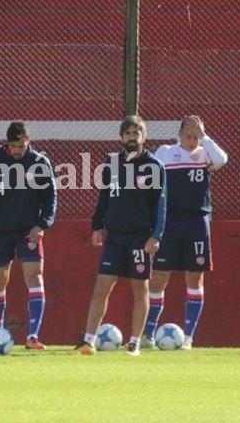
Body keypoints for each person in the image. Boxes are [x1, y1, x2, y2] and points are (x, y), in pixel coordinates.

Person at [74, 115, 166, 356]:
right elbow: (104, 197)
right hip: (114, 236)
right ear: (121, 137)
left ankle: (135, 342)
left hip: (140, 236)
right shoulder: (112, 163)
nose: (132, 137)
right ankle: (88, 341)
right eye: (128, 133)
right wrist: (97, 226)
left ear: (144, 137)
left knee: (140, 289)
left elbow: (161, 204)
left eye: (137, 133)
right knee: (102, 287)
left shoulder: (154, 166)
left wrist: (156, 235)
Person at [0, 121, 57, 350]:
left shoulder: (39, 163)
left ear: (28, 141)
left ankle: (32, 336)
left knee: (34, 277)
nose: (16, 150)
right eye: (13, 146)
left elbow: (51, 198)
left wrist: (42, 224)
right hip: (0, 232)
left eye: (20, 145)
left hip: (28, 232)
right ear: (7, 143)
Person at [141, 115, 228, 350]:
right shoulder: (165, 153)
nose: (192, 141)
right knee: (159, 277)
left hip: (197, 222)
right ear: (179, 135)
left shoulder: (206, 155)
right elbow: (150, 178)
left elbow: (222, 160)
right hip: (169, 221)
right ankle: (148, 334)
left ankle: (188, 336)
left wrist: (205, 135)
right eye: (188, 136)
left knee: (194, 277)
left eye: (196, 137)